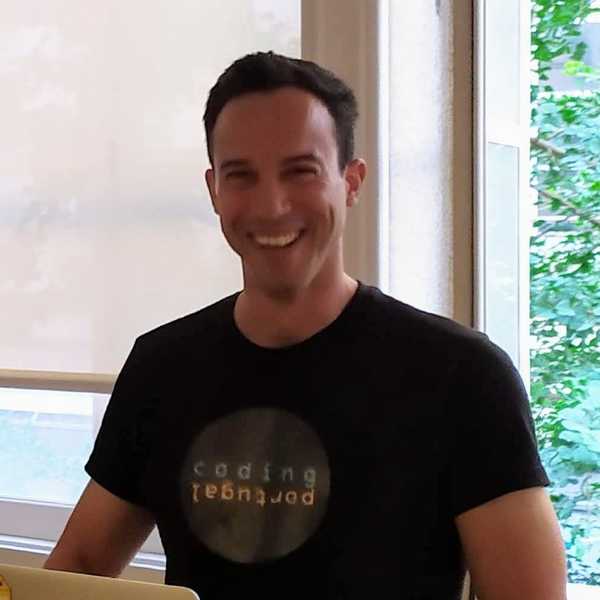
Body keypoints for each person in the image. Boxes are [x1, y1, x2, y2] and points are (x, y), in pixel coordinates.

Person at [44, 51, 567, 599]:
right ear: (214, 190)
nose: (272, 206)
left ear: (352, 181)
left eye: (301, 172)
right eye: (241, 176)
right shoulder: (161, 368)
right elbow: (79, 562)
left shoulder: (464, 376)